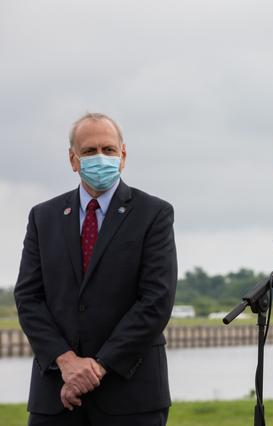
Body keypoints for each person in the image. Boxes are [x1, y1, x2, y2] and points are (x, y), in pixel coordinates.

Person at [14, 112, 177, 426]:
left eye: (108, 149)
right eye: (89, 151)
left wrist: (98, 367)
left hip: (131, 394)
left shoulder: (153, 214)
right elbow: (28, 298)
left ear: (123, 155)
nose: (100, 157)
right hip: (56, 392)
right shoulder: (43, 217)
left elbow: (155, 301)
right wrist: (66, 361)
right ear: (73, 159)